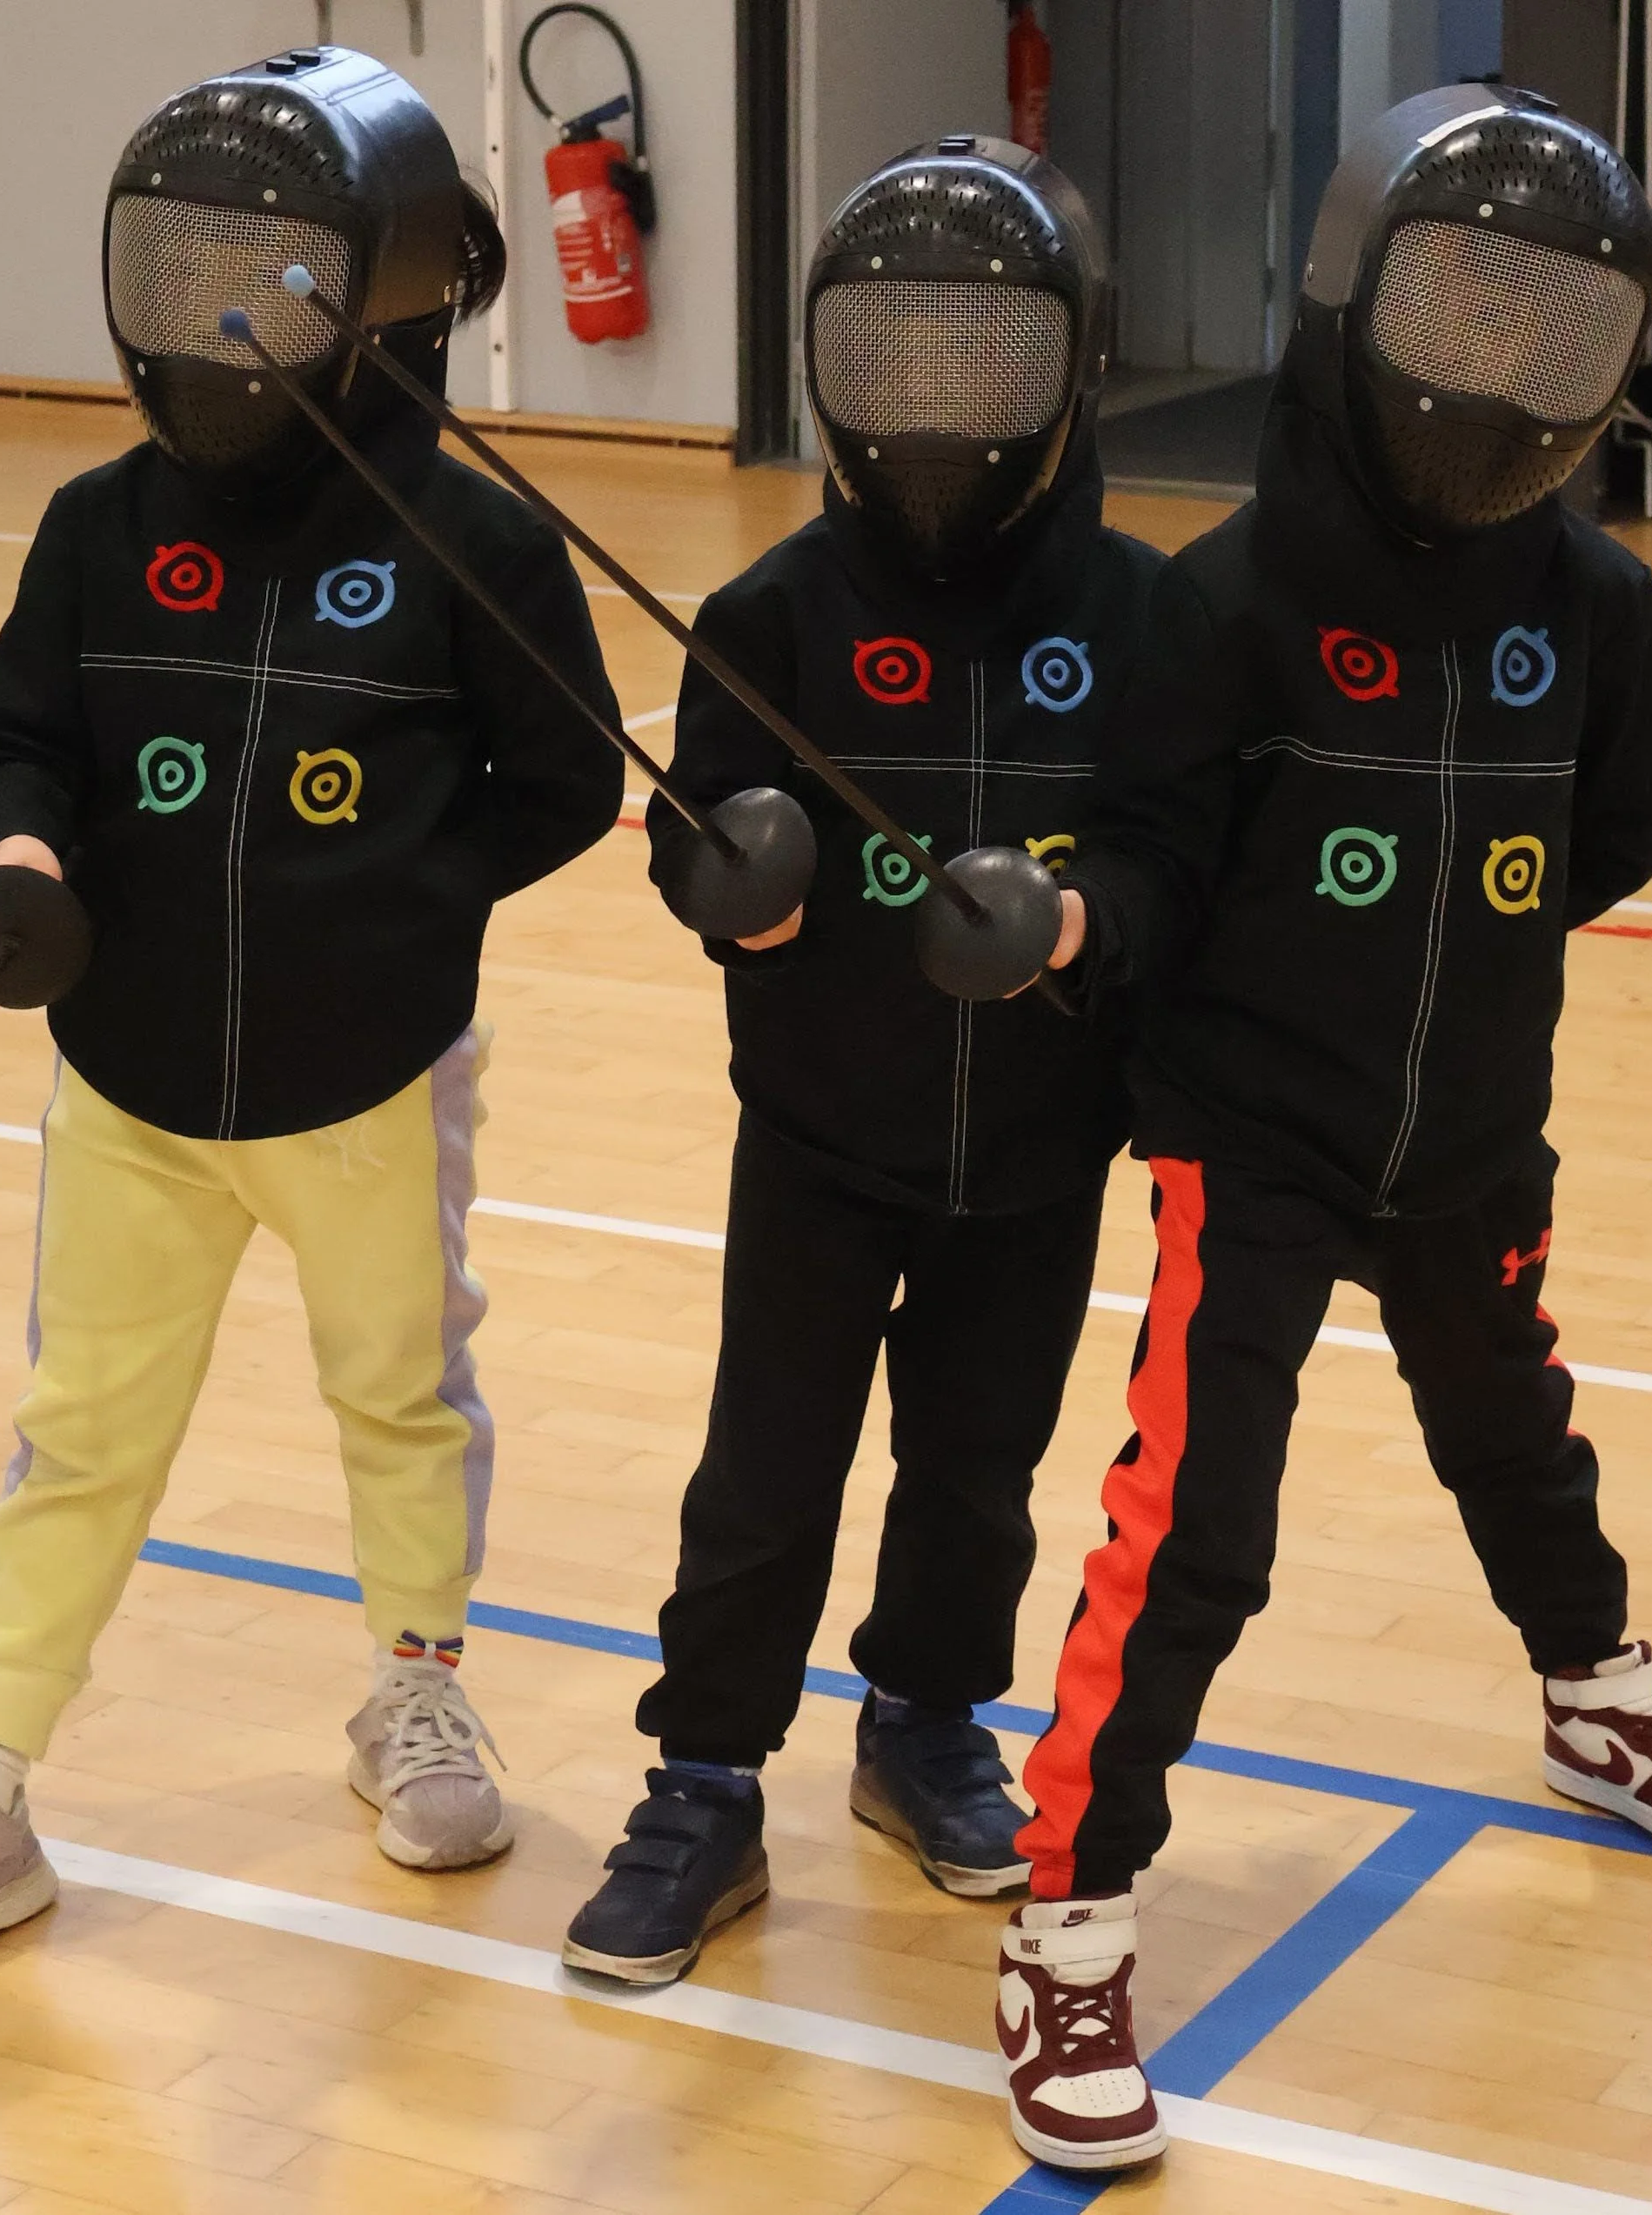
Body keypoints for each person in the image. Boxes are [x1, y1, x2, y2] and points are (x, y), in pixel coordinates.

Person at [993, 86, 1652, 2170]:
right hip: (1248, 1145)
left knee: (1515, 1433)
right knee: (1196, 1528)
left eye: (1551, 327)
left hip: (1472, 1140)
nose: (1498, 375)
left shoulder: (1593, 610)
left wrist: (1447, 978)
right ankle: (1066, 1914)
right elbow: (1151, 864)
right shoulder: (1221, 606)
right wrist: (1071, 920)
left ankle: (1591, 1693)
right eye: (1461, 312)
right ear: (1354, 304)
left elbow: (1609, 840)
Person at [0, 44, 622, 1980]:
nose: (215, 319)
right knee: (80, 1431)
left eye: (262, 277)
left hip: (370, 1081)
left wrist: (403, 901)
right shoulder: (98, 526)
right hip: (130, 1078)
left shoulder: (479, 546)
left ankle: (414, 1683)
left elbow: (569, 778)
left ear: (389, 295)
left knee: (400, 1387)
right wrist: (24, 853)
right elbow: (23, 741)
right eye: (180, 268)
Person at [562, 137, 1163, 1986]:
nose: (935, 403)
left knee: (977, 1467)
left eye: (981, 356)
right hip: (819, 1136)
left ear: (1064, 363)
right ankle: (705, 1778)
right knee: (767, 1467)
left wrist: (1079, 919)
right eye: (896, 355)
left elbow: (1180, 854)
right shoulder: (773, 615)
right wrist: (725, 892)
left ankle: (922, 1722)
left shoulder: (1138, 615)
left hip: (1041, 1146)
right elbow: (692, 830)